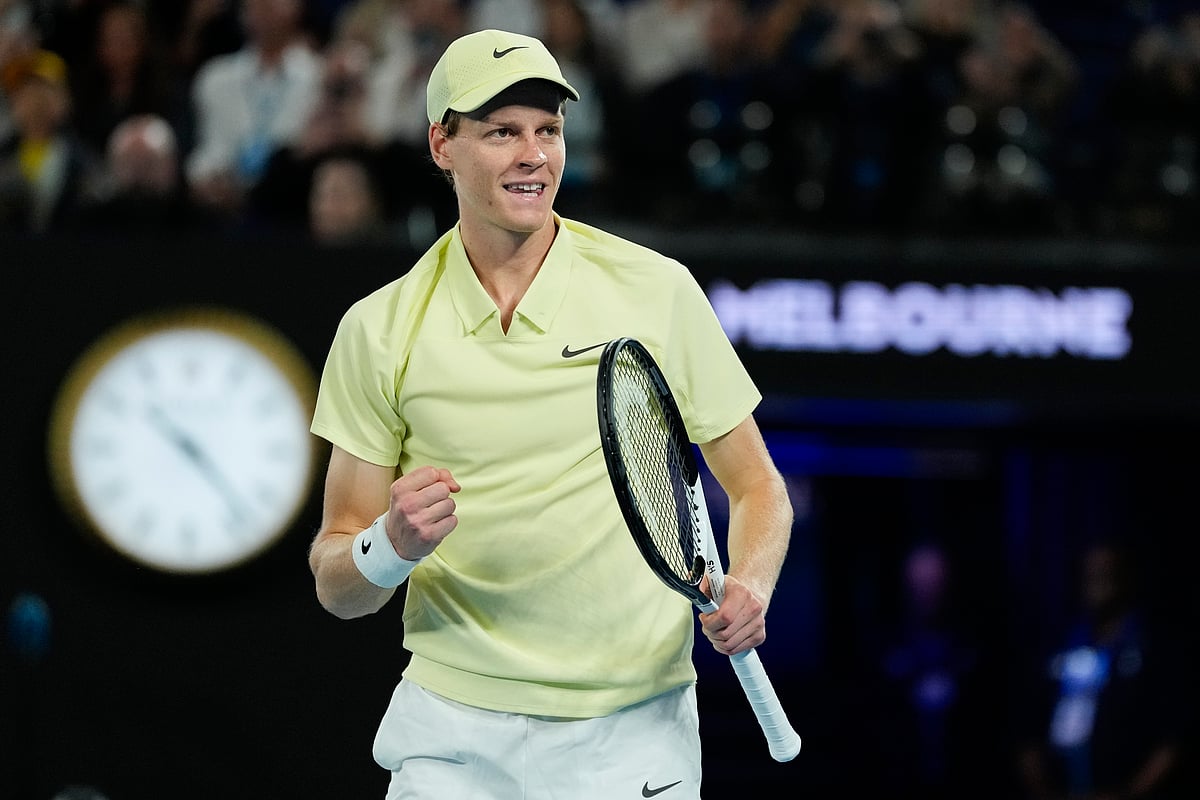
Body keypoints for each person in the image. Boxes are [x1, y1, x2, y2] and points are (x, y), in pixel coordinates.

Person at [306, 27, 795, 799]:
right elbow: (338, 583)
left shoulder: (656, 289)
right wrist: (390, 544)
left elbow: (759, 488)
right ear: (443, 144)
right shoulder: (378, 329)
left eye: (548, 130)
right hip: (452, 731)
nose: (533, 154)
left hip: (631, 734)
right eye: (502, 132)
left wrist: (754, 586)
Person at [1013, 538, 1192, 800]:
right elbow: (1027, 726)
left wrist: (1132, 792)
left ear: (1125, 577)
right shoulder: (1060, 646)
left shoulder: (1152, 649)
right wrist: (1040, 789)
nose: (1096, 580)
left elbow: (1174, 735)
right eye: (1090, 572)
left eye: (1106, 571)